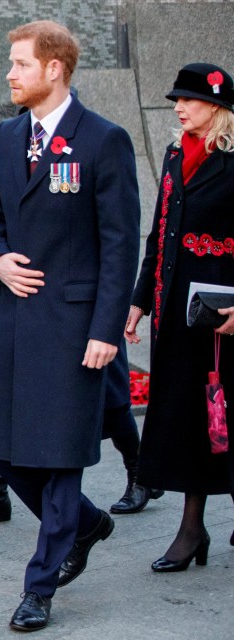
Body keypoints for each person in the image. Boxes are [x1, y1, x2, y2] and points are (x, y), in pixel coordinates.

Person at [0, 21, 140, 631]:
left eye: (20, 63)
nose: (10, 74)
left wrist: (105, 330)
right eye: (11, 62)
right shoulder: (6, 136)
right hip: (17, 322)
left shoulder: (104, 140)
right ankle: (88, 522)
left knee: (63, 455)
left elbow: (120, 245)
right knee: (7, 451)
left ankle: (39, 585)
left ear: (55, 69)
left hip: (77, 330)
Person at [124, 62, 234, 572]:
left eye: (188, 99)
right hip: (179, 316)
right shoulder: (173, 155)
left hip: (226, 319)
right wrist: (140, 300)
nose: (178, 107)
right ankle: (192, 530)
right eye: (176, 99)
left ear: (216, 106)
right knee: (192, 419)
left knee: (226, 417)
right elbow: (159, 234)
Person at [0, 347, 163, 524]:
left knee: (107, 392)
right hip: (30, 316)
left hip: (83, 318)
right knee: (11, 390)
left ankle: (140, 476)